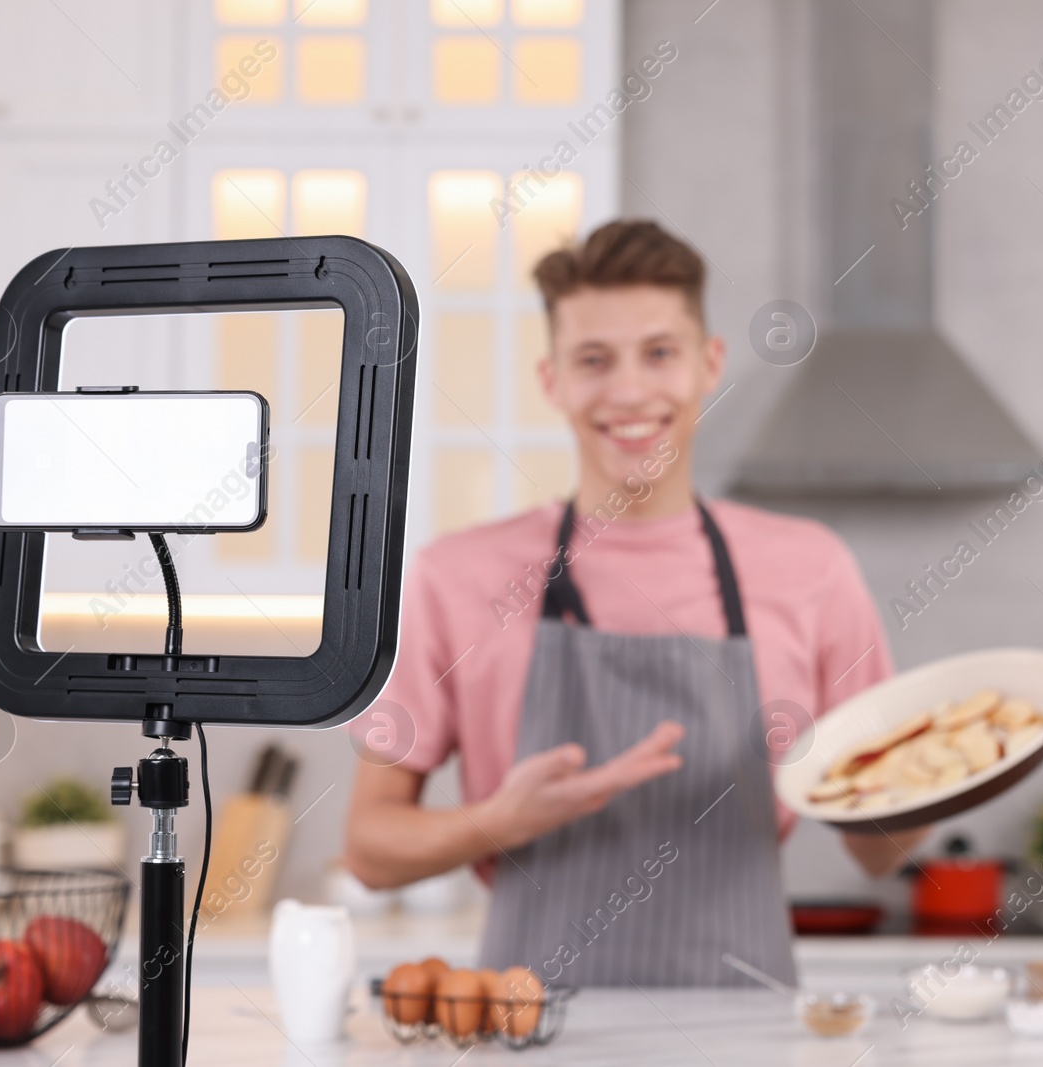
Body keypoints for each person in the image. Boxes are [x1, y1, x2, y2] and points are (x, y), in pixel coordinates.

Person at [344, 220, 924, 987]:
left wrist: (921, 790)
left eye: (659, 352)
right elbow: (370, 848)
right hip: (529, 1023)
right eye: (594, 360)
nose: (628, 391)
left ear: (708, 363)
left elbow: (878, 848)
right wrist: (499, 822)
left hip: (743, 1028)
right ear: (552, 380)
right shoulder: (458, 575)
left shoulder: (810, 568)